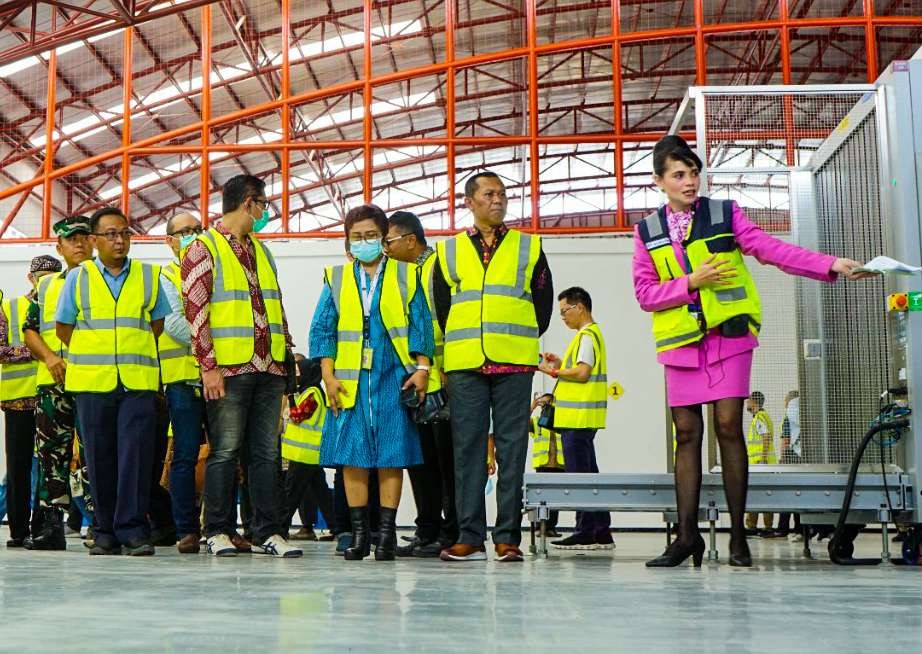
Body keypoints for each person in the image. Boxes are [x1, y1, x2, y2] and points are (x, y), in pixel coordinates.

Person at [633, 135, 869, 568]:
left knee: (728, 426)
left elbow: (770, 249)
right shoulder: (646, 231)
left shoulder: (725, 214)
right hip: (681, 344)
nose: (689, 182)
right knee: (686, 435)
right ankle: (687, 539)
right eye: (679, 175)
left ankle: (738, 536)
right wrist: (690, 283)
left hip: (730, 335)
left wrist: (828, 264)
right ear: (659, 181)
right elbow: (645, 293)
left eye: (693, 173)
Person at [432, 171, 554, 563]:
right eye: (488, 194)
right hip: (466, 362)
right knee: (466, 450)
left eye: (502, 194)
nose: (498, 200)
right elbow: (442, 306)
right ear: (469, 202)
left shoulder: (528, 246)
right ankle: (470, 535)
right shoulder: (447, 251)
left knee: (512, 449)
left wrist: (516, 337)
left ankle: (507, 538)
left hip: (514, 362)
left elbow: (543, 304)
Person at [181, 175, 301, 558]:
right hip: (229, 370)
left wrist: (287, 357)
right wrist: (208, 366)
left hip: (269, 368)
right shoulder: (204, 248)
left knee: (266, 453)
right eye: (264, 205)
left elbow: (274, 306)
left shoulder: (261, 251)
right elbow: (196, 311)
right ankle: (217, 529)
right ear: (249, 203)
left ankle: (268, 530)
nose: (265, 213)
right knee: (225, 451)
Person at [310, 204, 433, 561]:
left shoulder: (405, 275)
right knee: (354, 458)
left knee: (392, 455)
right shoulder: (336, 278)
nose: (364, 242)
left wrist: (422, 368)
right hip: (348, 380)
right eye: (356, 237)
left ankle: (386, 536)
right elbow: (322, 330)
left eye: (371, 235)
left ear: (383, 238)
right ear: (348, 242)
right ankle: (359, 534)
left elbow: (421, 324)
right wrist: (328, 377)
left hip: (395, 375)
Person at [55, 207, 171, 556]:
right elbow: (64, 328)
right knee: (99, 457)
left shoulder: (149, 276)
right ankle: (104, 531)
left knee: (135, 458)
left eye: (124, 233)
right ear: (94, 240)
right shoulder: (79, 278)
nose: (119, 240)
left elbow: (157, 324)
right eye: (110, 234)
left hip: (137, 382)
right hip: (93, 383)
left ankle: (134, 530)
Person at [383, 210, 459, 558]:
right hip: (417, 382)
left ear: (410, 240)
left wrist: (437, 370)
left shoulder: (436, 269)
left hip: (442, 381)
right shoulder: (405, 275)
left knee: (446, 464)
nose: (384, 248)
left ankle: (449, 530)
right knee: (421, 461)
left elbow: (442, 324)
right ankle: (426, 529)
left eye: (389, 241)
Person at [22, 216, 96, 551]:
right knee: (51, 456)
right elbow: (30, 330)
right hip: (53, 385)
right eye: (71, 239)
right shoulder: (48, 285)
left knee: (98, 453)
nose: (79, 243)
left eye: (84, 237)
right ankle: (48, 529)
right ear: (60, 247)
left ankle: (101, 526)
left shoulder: (107, 280)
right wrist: (51, 358)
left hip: (96, 381)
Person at [538, 286, 614, 550]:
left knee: (580, 477)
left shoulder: (586, 336)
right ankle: (601, 530)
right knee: (590, 474)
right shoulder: (591, 335)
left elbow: (582, 373)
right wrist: (560, 365)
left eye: (564, 312)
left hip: (577, 417)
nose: (563, 318)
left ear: (579, 306)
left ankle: (586, 530)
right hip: (582, 417)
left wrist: (554, 372)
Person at [1, 256, 60, 547]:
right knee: (19, 467)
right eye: (42, 276)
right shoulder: (10, 308)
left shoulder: (62, 305)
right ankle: (18, 529)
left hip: (53, 397)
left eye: (52, 275)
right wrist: (37, 350)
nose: (45, 280)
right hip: (18, 400)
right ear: (30, 278)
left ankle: (44, 528)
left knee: (51, 467)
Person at [160, 212, 206, 553]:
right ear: (170, 241)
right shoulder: (166, 275)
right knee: (185, 455)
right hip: (183, 381)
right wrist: (210, 351)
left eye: (196, 230)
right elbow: (174, 324)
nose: (191, 236)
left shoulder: (214, 271)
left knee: (225, 456)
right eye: (184, 232)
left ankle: (221, 525)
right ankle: (187, 529)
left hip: (219, 379)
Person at [282, 355, 334, 539]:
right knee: (322, 493)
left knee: (291, 493)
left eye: (297, 372)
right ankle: (338, 527)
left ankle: (280, 528)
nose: (295, 376)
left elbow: (297, 415)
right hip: (311, 455)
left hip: (304, 455)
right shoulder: (310, 391)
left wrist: (289, 400)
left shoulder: (311, 393)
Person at [528, 394, 563, 538]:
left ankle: (550, 528)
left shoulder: (561, 422)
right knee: (541, 498)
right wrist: (532, 406)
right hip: (543, 464)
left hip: (560, 465)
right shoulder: (537, 422)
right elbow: (520, 423)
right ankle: (539, 527)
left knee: (556, 499)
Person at [744, 390, 775, 536]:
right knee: (763, 494)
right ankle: (758, 525)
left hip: (760, 463)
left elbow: (766, 437)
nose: (747, 403)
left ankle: (755, 526)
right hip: (761, 463)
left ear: (754, 402)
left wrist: (762, 458)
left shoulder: (760, 418)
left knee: (756, 495)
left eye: (748, 401)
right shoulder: (760, 417)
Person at [776, 390, 802, 540]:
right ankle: (801, 529)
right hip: (803, 458)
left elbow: (785, 441)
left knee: (787, 494)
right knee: (801, 493)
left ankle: (783, 528)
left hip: (791, 458)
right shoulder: (805, 417)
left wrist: (782, 459)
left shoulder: (789, 419)